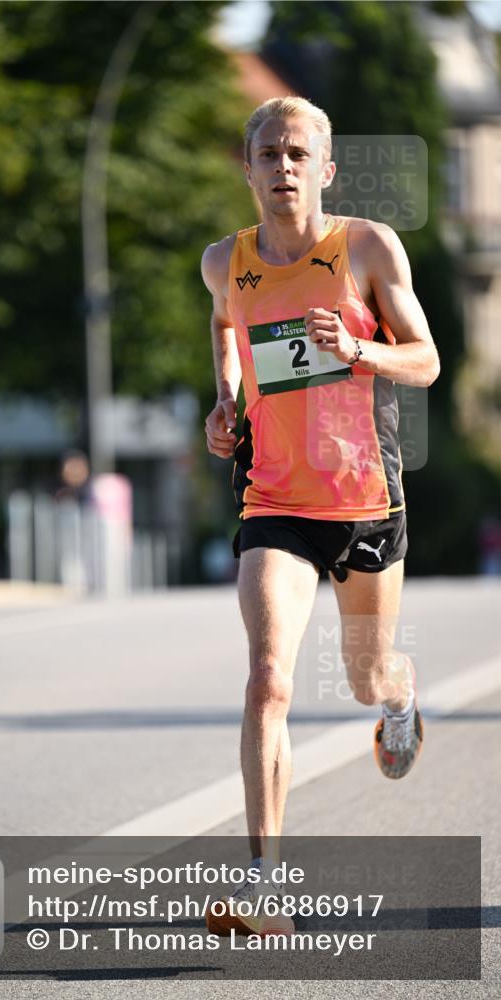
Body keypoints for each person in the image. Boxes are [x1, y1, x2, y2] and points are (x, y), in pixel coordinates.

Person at [200, 97, 440, 937]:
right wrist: (223, 406)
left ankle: (399, 694)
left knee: (366, 674)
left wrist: (358, 349)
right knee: (268, 678)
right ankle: (266, 890)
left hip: (366, 501)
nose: (283, 166)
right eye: (267, 152)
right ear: (248, 167)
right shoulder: (222, 262)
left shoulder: (366, 248)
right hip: (274, 501)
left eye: (298, 152)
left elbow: (427, 360)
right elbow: (227, 336)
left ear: (325, 168)